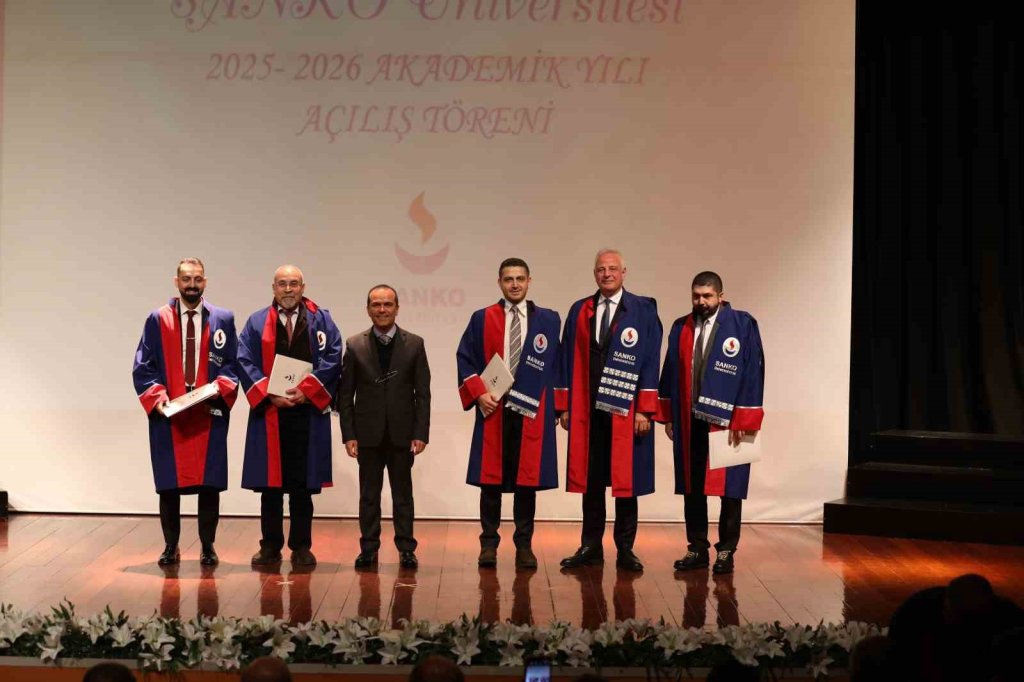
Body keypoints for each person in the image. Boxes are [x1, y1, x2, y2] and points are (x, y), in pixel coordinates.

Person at [556, 249, 662, 572]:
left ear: (624, 272)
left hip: (626, 413)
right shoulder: (580, 310)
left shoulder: (642, 310)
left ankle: (625, 549)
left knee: (626, 482)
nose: (607, 274)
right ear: (595, 274)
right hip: (588, 411)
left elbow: (651, 359)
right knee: (591, 482)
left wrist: (644, 410)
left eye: (613, 268)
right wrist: (564, 406)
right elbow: (565, 358)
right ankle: (590, 545)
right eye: (601, 269)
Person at [656, 271, 764, 575]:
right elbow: (670, 370)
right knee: (692, 486)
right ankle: (697, 547)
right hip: (690, 418)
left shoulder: (742, 324)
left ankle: (726, 550)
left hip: (729, 420)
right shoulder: (681, 327)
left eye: (707, 296)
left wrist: (743, 417)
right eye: (696, 296)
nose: (701, 301)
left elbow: (753, 373)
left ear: (720, 296)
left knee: (730, 489)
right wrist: (669, 415)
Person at [456, 258, 561, 569]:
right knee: (490, 481)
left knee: (526, 481)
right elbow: (465, 358)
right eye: (508, 279)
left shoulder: (548, 320)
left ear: (529, 281)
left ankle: (524, 545)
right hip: (495, 408)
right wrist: (479, 394)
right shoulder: (482, 318)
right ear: (499, 282)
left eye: (520, 278)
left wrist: (558, 408)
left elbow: (558, 365)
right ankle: (488, 545)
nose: (514, 284)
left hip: (531, 412)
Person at [132, 258, 238, 567]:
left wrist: (218, 389)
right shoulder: (157, 319)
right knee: (169, 484)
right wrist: (158, 399)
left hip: (208, 412)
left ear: (205, 282)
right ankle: (171, 546)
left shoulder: (223, 319)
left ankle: (208, 546)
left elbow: (233, 363)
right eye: (187, 279)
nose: (192, 285)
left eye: (197, 279)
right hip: (170, 415)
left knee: (210, 484)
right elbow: (144, 365)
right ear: (176, 282)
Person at [238, 265, 342, 567]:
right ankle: (270, 546)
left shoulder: (321, 321)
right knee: (270, 488)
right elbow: (244, 359)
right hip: (270, 413)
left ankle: (301, 546)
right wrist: (269, 394)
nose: (288, 289)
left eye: (293, 284)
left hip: (306, 413)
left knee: (301, 487)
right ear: (273, 287)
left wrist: (307, 391)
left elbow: (334, 356)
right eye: (282, 284)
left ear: (302, 287)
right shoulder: (257, 322)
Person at [338, 284, 431, 570]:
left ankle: (406, 549)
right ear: (368, 309)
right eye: (376, 304)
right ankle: (368, 548)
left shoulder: (415, 344)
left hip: (403, 434)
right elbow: (345, 395)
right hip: (367, 434)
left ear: (397, 308)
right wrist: (349, 434)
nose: (382, 309)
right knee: (369, 496)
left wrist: (420, 432)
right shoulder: (355, 345)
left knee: (403, 496)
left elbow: (423, 394)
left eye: (387, 304)